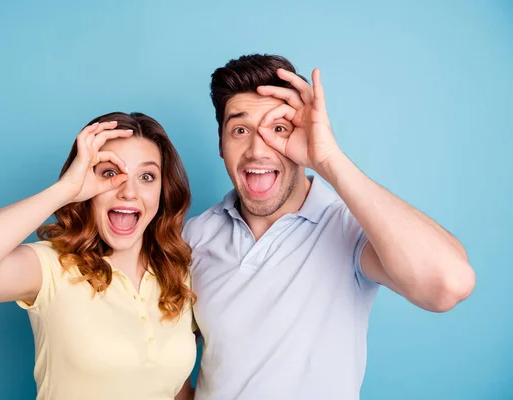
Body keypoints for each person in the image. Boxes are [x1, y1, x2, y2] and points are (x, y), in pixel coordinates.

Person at [183, 54, 476, 400]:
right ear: (221, 145)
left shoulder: (349, 229)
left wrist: (328, 159)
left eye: (278, 129)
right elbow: (162, 358)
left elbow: (449, 284)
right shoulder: (194, 237)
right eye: (240, 130)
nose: (257, 149)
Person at [0, 112, 197, 400]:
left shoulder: (178, 273)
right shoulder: (52, 266)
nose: (129, 192)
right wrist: (66, 190)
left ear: (163, 191)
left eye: (147, 176)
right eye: (110, 173)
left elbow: (176, 390)